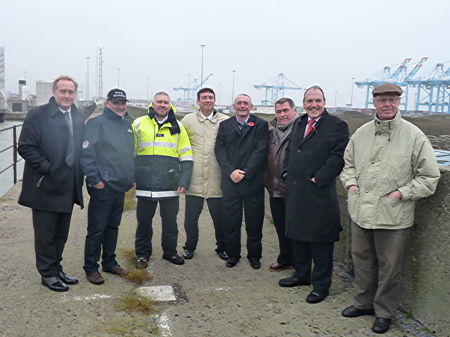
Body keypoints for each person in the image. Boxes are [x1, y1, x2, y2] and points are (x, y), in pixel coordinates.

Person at [340, 83, 440, 334]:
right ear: (374, 102)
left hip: (393, 214)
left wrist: (401, 193)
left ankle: (384, 311)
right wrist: (351, 186)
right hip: (361, 210)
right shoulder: (361, 133)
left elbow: (429, 177)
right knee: (361, 261)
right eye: (382, 100)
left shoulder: (414, 135)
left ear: (399, 103)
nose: (387, 104)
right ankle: (363, 303)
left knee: (389, 267)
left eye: (392, 100)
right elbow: (348, 165)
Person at [279, 86, 349, 304]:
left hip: (319, 192)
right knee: (298, 236)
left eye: (317, 100)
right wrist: (286, 171)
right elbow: (291, 148)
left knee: (320, 241)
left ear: (324, 102)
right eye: (309, 101)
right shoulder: (300, 122)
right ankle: (301, 275)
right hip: (296, 190)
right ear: (304, 103)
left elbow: (338, 157)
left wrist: (319, 178)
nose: (313, 105)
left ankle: (321, 286)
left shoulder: (337, 126)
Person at [18, 75, 84, 292]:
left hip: (68, 184)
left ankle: (57, 268)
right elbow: (25, 147)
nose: (67, 96)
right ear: (54, 93)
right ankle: (47, 274)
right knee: (45, 234)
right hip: (45, 184)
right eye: (63, 91)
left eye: (71, 92)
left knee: (61, 234)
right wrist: (48, 168)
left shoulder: (77, 115)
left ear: (75, 94)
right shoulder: (38, 115)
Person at [80, 88, 134, 285]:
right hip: (103, 186)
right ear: (108, 103)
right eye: (116, 103)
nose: (120, 106)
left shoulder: (127, 125)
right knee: (96, 229)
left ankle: (109, 262)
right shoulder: (96, 123)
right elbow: (86, 154)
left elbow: (129, 154)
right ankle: (90, 267)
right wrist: (95, 180)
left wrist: (131, 178)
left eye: (123, 103)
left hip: (120, 185)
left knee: (113, 226)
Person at [133, 92, 193, 267]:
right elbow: (130, 153)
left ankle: (170, 252)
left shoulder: (178, 126)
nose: (162, 105)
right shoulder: (139, 123)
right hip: (145, 183)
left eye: (165, 102)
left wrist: (184, 180)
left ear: (170, 105)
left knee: (170, 223)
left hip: (170, 183)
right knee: (143, 223)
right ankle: (143, 255)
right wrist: (132, 176)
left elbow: (187, 156)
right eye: (159, 101)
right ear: (152, 103)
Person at [215, 94, 269, 269]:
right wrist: (230, 171)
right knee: (231, 222)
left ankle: (254, 255)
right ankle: (233, 255)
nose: (242, 106)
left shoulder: (260, 125)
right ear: (234, 106)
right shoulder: (225, 126)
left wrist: (245, 172)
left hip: (252, 183)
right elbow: (220, 150)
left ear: (251, 106)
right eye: (239, 103)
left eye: (246, 103)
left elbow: (261, 151)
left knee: (254, 223)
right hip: (231, 183)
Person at [180, 88, 229, 260]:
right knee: (190, 219)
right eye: (204, 98)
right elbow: (180, 144)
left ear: (215, 100)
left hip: (217, 178)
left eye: (210, 97)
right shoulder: (188, 120)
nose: (207, 100)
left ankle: (222, 247)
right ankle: (190, 247)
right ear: (198, 101)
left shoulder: (225, 121)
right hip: (195, 178)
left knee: (220, 219)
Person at [264, 97, 300, 272]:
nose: (282, 114)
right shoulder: (270, 131)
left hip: (295, 189)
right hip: (274, 186)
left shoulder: (301, 129)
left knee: (297, 228)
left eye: (286, 110)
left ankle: (300, 262)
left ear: (294, 110)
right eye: (279, 111)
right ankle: (285, 258)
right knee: (280, 226)